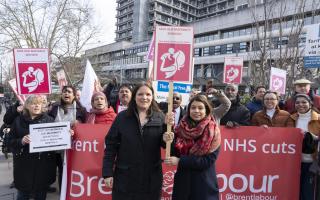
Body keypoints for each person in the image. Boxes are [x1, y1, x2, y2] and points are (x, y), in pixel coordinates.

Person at [102, 83, 174, 200]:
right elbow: (110, 146)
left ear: (152, 97)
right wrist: (107, 173)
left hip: (151, 179)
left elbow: (168, 146)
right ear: (134, 97)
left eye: (148, 94)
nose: (144, 97)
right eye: (140, 94)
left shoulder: (161, 117)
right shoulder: (122, 118)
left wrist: (168, 134)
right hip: (125, 178)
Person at [164, 94, 226, 200]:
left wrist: (180, 161)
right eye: (193, 108)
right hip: (183, 186)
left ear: (206, 110)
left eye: (200, 108)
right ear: (188, 110)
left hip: (204, 186)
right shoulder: (180, 128)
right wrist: (167, 136)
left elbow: (207, 161)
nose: (196, 111)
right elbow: (174, 152)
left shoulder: (213, 132)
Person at [9, 95, 56, 200]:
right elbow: (10, 141)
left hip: (43, 164)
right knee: (23, 194)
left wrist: (67, 134)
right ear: (27, 106)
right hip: (24, 164)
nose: (37, 106)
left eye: (39, 103)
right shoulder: (18, 121)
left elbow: (57, 138)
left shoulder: (49, 120)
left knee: (40, 194)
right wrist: (21, 141)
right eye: (33, 103)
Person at [48, 85, 86, 191]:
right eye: (64, 92)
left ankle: (72, 192)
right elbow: (47, 122)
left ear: (74, 96)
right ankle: (62, 193)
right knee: (61, 170)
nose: (66, 94)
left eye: (69, 92)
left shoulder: (81, 110)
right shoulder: (55, 108)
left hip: (73, 145)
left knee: (71, 170)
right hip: (56, 146)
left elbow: (87, 128)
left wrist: (78, 125)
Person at [288, 94, 320, 200]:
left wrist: (312, 137)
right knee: (294, 192)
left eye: (304, 102)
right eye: (297, 102)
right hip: (293, 163)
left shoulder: (318, 118)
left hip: (312, 163)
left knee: (308, 193)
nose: (300, 105)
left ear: (310, 103)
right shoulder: (290, 119)